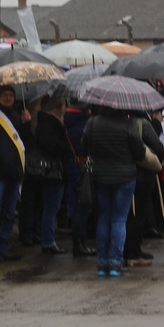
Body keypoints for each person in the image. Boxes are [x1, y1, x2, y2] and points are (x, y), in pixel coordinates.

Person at [83, 106, 145, 277]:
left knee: (103, 217)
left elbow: (84, 145)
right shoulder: (128, 124)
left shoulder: (92, 123)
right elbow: (139, 152)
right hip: (125, 177)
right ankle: (116, 263)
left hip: (100, 176)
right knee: (119, 219)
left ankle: (102, 263)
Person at [123, 111, 164, 267]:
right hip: (140, 176)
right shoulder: (141, 123)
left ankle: (119, 252)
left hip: (116, 175)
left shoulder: (102, 121)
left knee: (119, 217)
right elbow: (158, 148)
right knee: (137, 215)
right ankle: (133, 253)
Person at [34, 95, 70, 255]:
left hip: (49, 171)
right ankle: (48, 241)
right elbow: (53, 146)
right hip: (53, 171)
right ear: (57, 108)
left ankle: (47, 239)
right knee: (51, 206)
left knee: (49, 206)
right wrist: (65, 144)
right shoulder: (51, 125)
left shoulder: (43, 124)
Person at [0, 84, 31, 262]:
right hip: (1, 173)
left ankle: (3, 247)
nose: (8, 98)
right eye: (5, 95)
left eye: (11, 95)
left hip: (14, 174)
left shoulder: (17, 118)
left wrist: (26, 125)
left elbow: (26, 144)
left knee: (9, 213)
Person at [64, 102, 97, 257]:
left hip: (73, 166)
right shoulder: (84, 124)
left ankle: (78, 241)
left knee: (76, 204)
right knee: (83, 206)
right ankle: (79, 243)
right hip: (83, 168)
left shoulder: (68, 121)